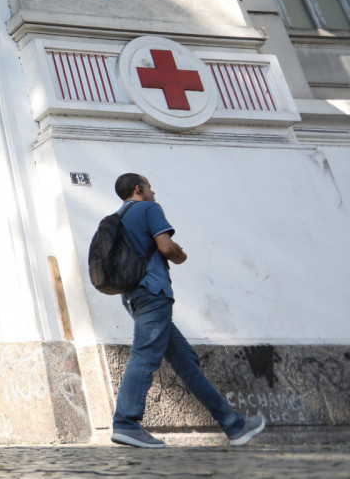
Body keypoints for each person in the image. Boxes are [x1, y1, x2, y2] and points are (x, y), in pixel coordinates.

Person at [109, 173, 266, 448]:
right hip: (154, 293)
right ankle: (126, 423)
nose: (153, 191)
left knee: (186, 363)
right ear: (138, 189)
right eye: (150, 187)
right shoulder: (149, 208)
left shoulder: (118, 218)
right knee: (145, 355)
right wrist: (181, 256)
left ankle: (234, 425)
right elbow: (166, 247)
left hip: (134, 296)